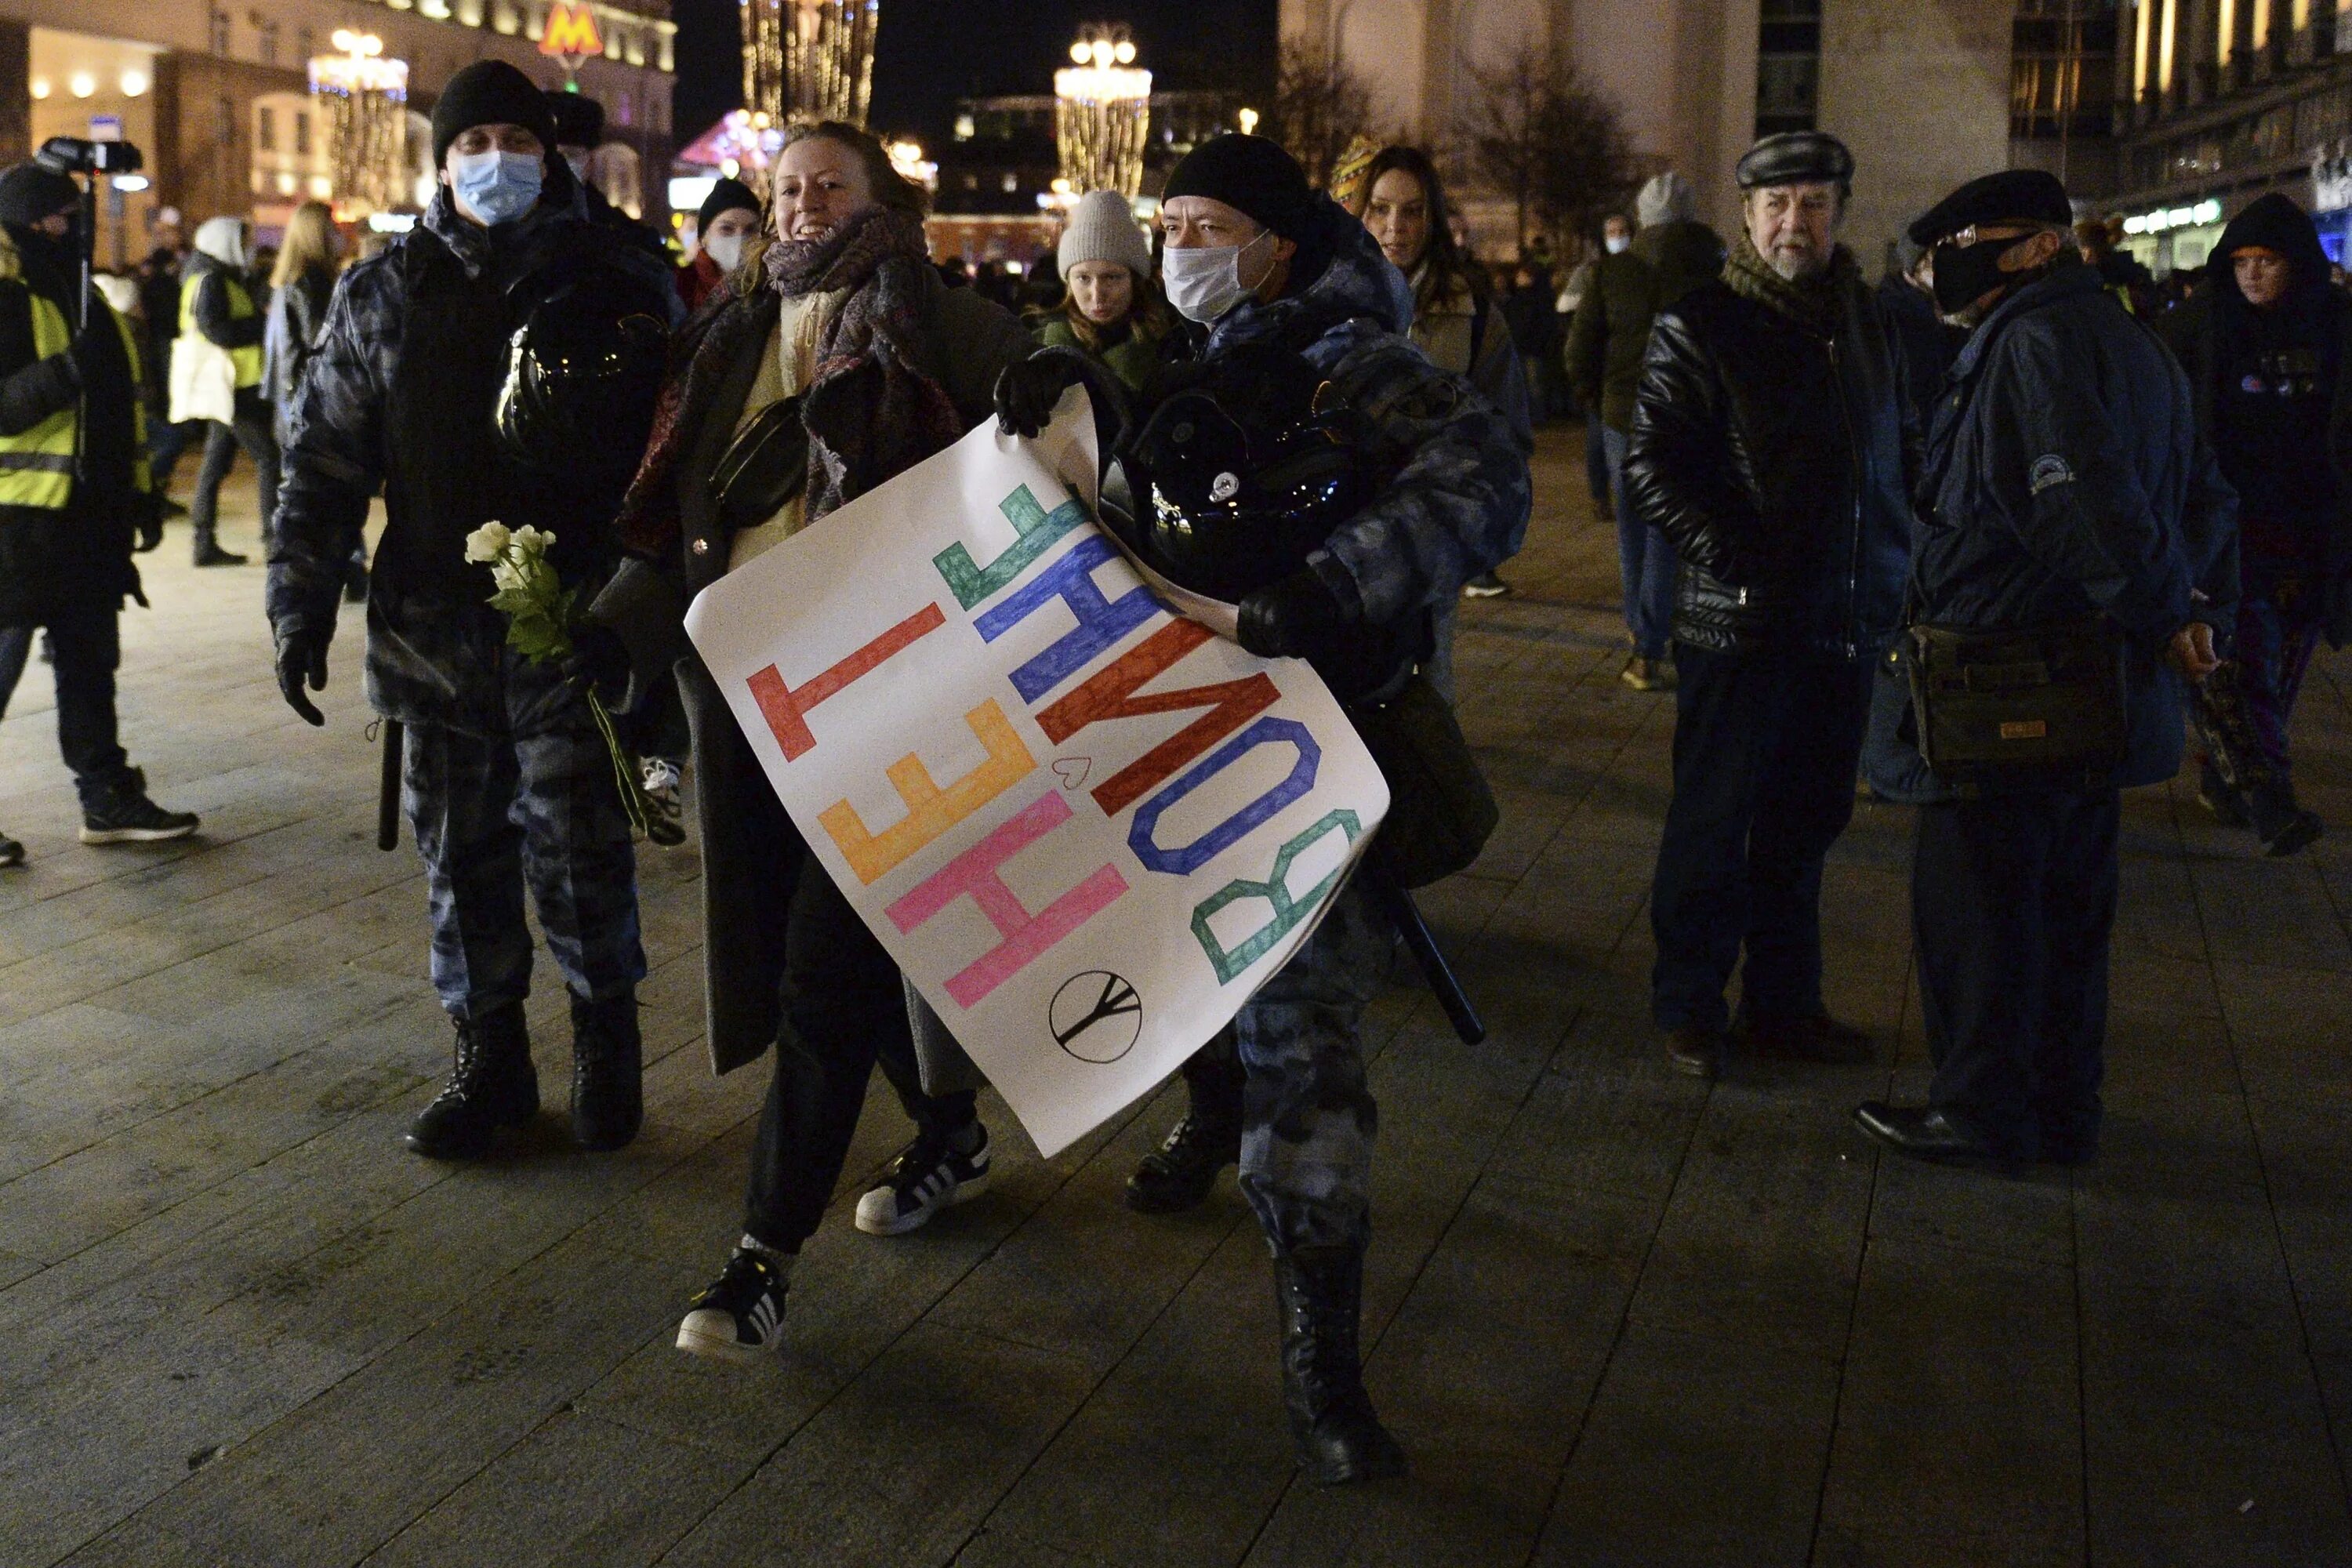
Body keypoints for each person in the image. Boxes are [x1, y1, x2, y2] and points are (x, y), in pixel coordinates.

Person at [995, 132, 1529, 1486]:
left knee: (1309, 1067)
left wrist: (1336, 586)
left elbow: (1489, 482)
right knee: (1195, 991)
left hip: (1306, 762)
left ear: (1277, 245)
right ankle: (1200, 1117)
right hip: (1171, 757)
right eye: (1166, 222)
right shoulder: (1174, 364)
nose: (1179, 247)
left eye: (1207, 223)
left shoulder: (1355, 359)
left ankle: (1322, 1364)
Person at [578, 121, 1029, 1364]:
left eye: (830, 185)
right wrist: (605, 624)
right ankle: (950, 1131)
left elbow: (1053, 422)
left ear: (878, 198)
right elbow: (682, 517)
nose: (802, 205)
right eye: (785, 188)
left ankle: (759, 1264)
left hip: (891, 708)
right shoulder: (725, 340)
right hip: (753, 709)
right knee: (824, 948)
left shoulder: (939, 323)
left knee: (821, 977)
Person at [268, 60, 674, 1160]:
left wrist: (641, 610)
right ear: (441, 162)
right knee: (461, 856)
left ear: (551, 154)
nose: (496, 159)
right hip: (432, 626)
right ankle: (487, 1055)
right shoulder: (383, 290)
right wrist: (297, 601)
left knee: (577, 848)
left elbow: (673, 457)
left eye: (518, 138)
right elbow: (322, 459)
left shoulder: (624, 274)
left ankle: (606, 1039)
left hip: (571, 622)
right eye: (473, 141)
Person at [1856, 169, 2237, 1167]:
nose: (1942, 264)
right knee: (2068, 910)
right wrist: (2190, 607)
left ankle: (1981, 1109)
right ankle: (2065, 1108)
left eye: (1964, 242)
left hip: (2009, 687)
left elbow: (2084, 501)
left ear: (2032, 248)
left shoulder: (2032, 341)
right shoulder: (2128, 337)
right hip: (2087, 690)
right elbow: (2201, 497)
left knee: (1981, 911)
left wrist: (2164, 613)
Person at [1624, 131, 1914, 1080]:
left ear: (1839, 213)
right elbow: (1653, 465)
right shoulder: (1703, 321)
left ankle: (1787, 1006)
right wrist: (1737, 555)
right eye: (1778, 204)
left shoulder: (1864, 318)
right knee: (1716, 821)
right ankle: (1689, 1005)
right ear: (1746, 216)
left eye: (1815, 203)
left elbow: (1890, 459)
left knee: (1806, 824)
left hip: (1842, 621)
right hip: (1738, 623)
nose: (1797, 221)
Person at [0, 159, 199, 862]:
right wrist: (64, 373)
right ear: (29, 222)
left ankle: (106, 797)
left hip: (88, 519)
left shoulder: (89, 297)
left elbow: (126, 413)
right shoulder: (9, 293)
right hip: (18, 520)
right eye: (62, 216)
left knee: (89, 664)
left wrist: (142, 494)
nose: (73, 227)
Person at [2160, 194, 2349, 858]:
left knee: (2285, 666)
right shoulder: (2200, 325)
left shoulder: (2335, 325)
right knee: (2243, 659)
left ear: (2296, 264)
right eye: (2241, 262)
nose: (2253, 275)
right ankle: (2268, 791)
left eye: (2267, 261)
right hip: (2227, 534)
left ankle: (2230, 770)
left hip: (2309, 533)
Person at [1568, 172, 1726, 690]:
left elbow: (1580, 350)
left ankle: (1646, 641)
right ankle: (1660, 635)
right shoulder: (1714, 270)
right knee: (1671, 531)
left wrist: (1597, 399)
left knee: (1633, 526)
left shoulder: (1614, 273)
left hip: (1623, 417)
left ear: (1641, 218)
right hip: (1689, 419)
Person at [1355, 145, 1531, 604]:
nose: (1395, 227)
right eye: (1380, 209)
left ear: (1432, 219)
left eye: (1413, 211)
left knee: (1428, 671)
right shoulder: (1328, 308)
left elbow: (1508, 432)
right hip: (1342, 540)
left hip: (1427, 543)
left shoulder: (1472, 315)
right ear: (1361, 214)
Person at [262, 201, 359, 603]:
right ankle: (342, 572)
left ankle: (334, 571)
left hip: (294, 402)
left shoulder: (293, 279)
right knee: (334, 492)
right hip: (314, 403)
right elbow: (321, 341)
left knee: (320, 494)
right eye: (335, 228)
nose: (342, 235)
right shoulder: (313, 282)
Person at [172, 216, 278, 566]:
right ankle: (274, 540)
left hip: (230, 387)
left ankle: (204, 542)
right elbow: (218, 331)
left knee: (215, 462)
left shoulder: (211, 276)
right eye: (242, 239)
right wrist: (261, 324)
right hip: (232, 388)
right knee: (268, 458)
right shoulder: (213, 281)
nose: (247, 246)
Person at [1029, 188, 1177, 392]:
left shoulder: (1173, 347)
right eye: (1083, 278)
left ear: (1134, 280)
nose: (1097, 294)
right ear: (1069, 282)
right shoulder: (1036, 352)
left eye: (1112, 277)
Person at [677, 176, 758, 313]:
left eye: (750, 230)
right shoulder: (680, 286)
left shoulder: (772, 287)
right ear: (704, 238)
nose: (739, 239)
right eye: (726, 229)